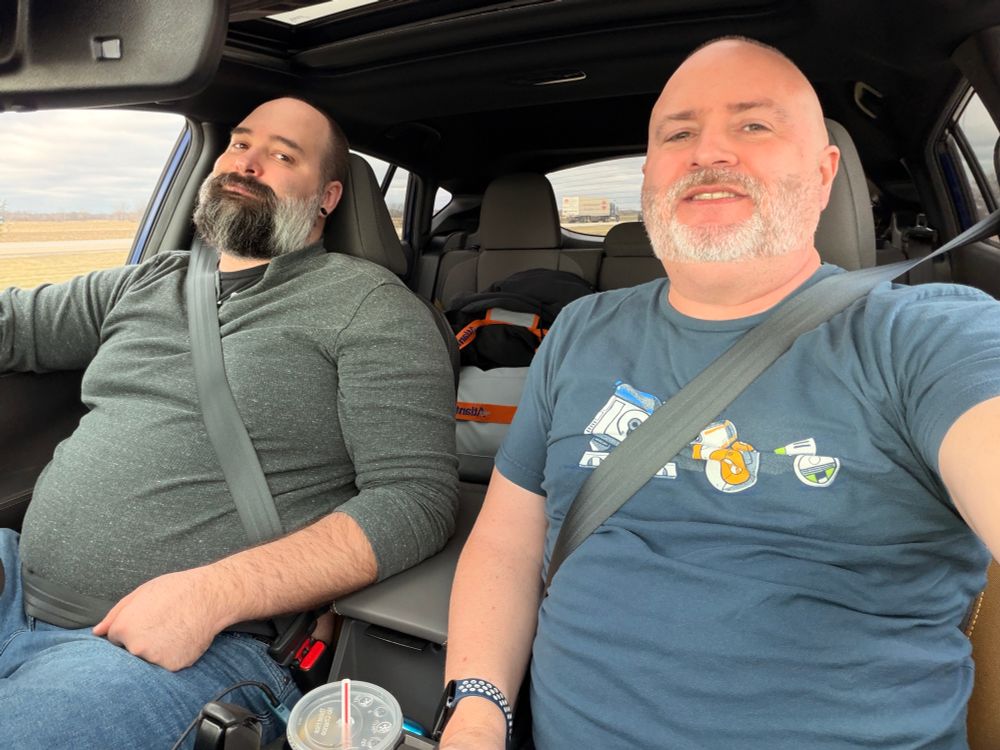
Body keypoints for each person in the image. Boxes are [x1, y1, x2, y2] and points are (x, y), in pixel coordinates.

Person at [439, 37, 1000, 750]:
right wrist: (478, 712)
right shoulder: (580, 330)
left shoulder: (929, 335)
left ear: (824, 173)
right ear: (650, 176)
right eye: (678, 135)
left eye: (753, 124)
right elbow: (508, 544)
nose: (708, 151)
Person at [0, 97, 458, 747]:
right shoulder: (146, 281)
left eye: (282, 155)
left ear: (327, 198)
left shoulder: (370, 307)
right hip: (15, 580)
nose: (247, 162)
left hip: (189, 650)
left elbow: (417, 498)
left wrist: (213, 594)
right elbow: (14, 327)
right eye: (240, 144)